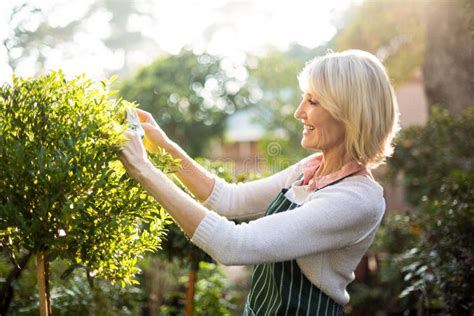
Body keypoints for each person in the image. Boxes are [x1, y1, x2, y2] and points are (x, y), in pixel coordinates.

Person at [118, 49, 400, 315]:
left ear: (349, 114)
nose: (298, 112)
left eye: (313, 101)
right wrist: (164, 146)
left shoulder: (356, 199)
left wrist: (144, 170)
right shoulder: (310, 170)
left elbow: (234, 245)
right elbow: (229, 199)